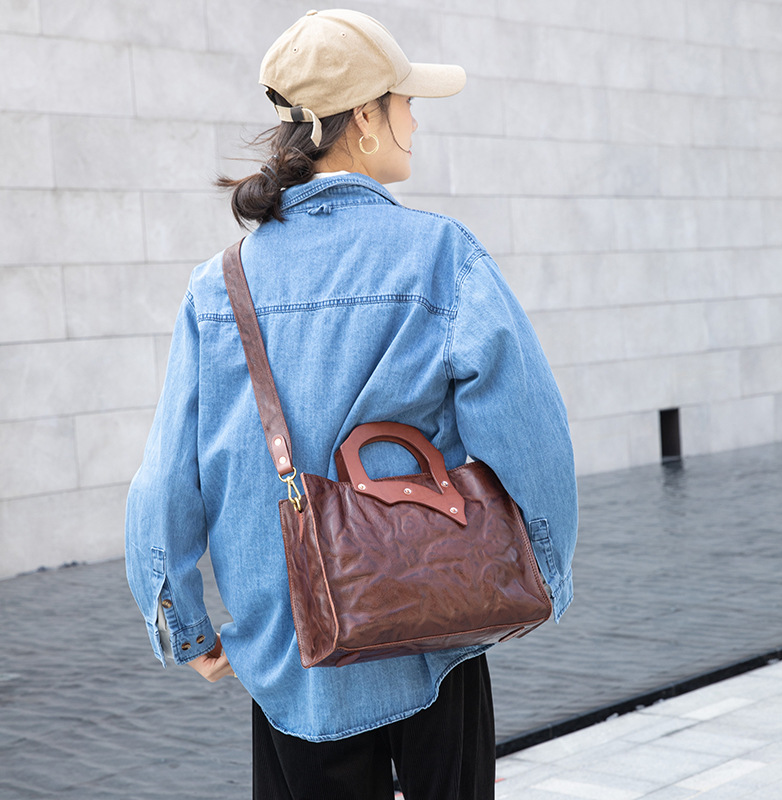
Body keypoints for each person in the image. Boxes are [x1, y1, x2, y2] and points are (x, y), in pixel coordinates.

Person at [125, 8, 578, 799]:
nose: (415, 122)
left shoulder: (219, 287)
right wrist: (542, 577)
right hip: (436, 628)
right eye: (407, 103)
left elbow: (167, 480)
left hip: (292, 656)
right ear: (366, 117)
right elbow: (533, 441)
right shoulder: (443, 256)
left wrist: (183, 623)